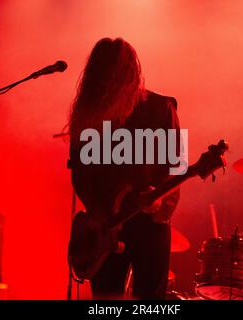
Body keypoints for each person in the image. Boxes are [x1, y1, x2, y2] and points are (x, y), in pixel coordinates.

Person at [67, 38, 181, 299]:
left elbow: (171, 171)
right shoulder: (88, 114)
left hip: (147, 224)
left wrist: (156, 196)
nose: (108, 83)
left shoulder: (161, 108)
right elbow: (80, 174)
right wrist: (96, 213)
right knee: (106, 300)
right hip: (102, 226)